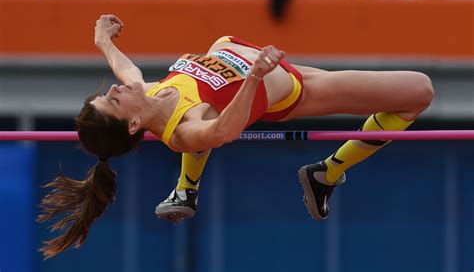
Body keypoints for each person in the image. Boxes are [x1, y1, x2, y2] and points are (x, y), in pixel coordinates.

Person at [37, 14, 434, 258]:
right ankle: (326, 173)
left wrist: (103, 41)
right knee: (418, 92)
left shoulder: (149, 92)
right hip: (294, 90)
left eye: (107, 92)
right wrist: (255, 76)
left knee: (411, 91)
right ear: (133, 126)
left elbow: (127, 71)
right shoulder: (182, 129)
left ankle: (186, 188)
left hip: (266, 61)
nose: (116, 89)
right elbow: (222, 131)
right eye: (113, 100)